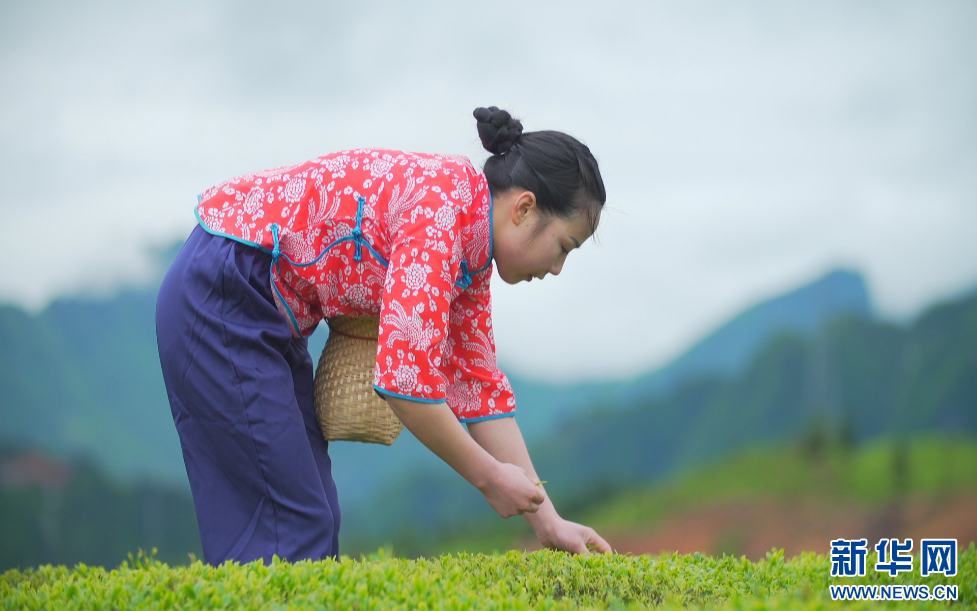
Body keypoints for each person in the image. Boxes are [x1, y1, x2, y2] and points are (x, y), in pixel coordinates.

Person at [155, 106, 612, 565]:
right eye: (563, 248)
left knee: (314, 517)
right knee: (292, 525)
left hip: (262, 311)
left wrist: (548, 521)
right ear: (525, 208)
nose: (556, 268)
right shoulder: (441, 215)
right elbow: (405, 384)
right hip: (225, 293)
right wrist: (488, 477)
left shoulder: (468, 254)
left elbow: (480, 391)